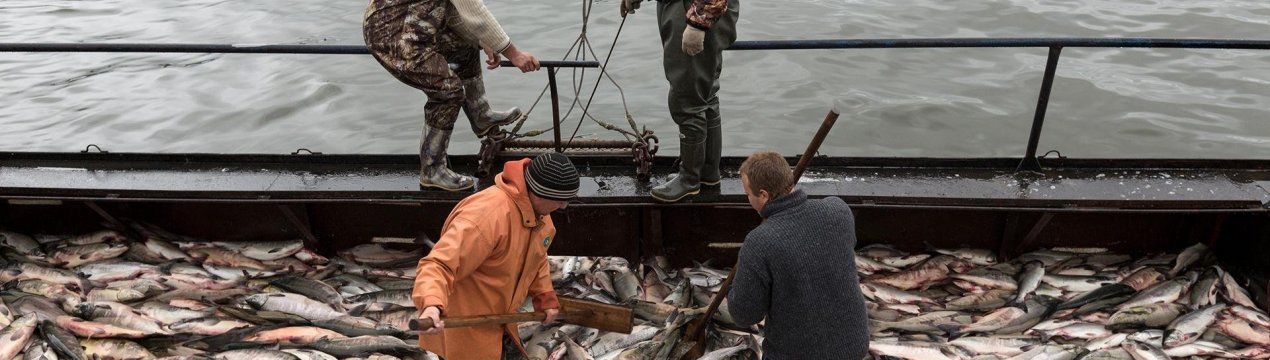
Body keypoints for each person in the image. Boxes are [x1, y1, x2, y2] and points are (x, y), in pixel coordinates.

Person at [411, 152, 578, 360]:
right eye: (560, 200)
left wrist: (544, 294)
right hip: (467, 331)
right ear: (538, 192)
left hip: (503, 322)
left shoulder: (540, 216)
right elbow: (438, 265)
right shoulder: (485, 217)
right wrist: (431, 305)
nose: (564, 206)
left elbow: (536, 256)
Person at [364, 0, 542, 191]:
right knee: (448, 92)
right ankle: (432, 170)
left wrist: (483, 39)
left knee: (465, 47)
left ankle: (480, 114)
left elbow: (455, 10)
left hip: (412, 25)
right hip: (393, 35)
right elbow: (475, 11)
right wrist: (513, 54)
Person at [726, 151, 869, 359]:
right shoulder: (838, 211)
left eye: (748, 194)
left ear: (764, 195)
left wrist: (733, 290)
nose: (748, 199)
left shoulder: (759, 242)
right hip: (854, 345)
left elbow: (745, 314)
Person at [620, 0, 739, 202]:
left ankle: (689, 179)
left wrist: (699, 21)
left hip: (696, 10)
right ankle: (706, 173)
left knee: (687, 99)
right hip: (687, 10)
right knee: (705, 94)